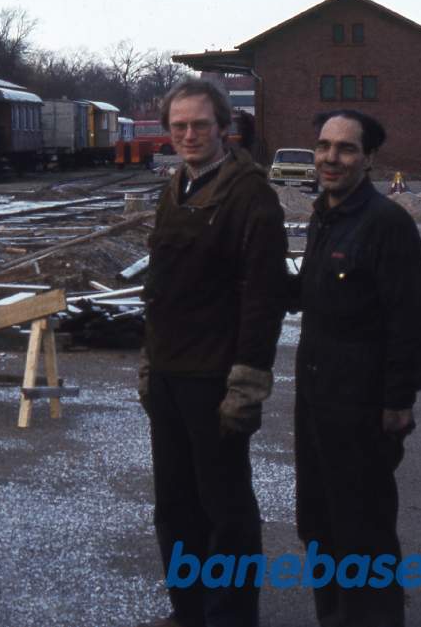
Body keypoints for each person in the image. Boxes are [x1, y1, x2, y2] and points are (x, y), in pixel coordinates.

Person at [137, 79, 287, 627]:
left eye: (200, 124)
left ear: (224, 126)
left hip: (216, 381)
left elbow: (264, 297)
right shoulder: (175, 187)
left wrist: (247, 383)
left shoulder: (250, 196)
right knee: (175, 508)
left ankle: (230, 618)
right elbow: (162, 288)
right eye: (178, 126)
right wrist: (150, 362)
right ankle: (190, 612)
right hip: (172, 376)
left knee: (226, 512)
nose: (189, 135)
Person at [291, 110, 421, 627]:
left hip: (362, 407)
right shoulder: (323, 216)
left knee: (364, 532)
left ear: (369, 159)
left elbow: (414, 322)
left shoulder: (385, 224)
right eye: (324, 146)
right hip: (315, 400)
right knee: (319, 523)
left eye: (346, 149)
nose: (331, 158)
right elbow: (307, 292)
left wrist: (398, 402)